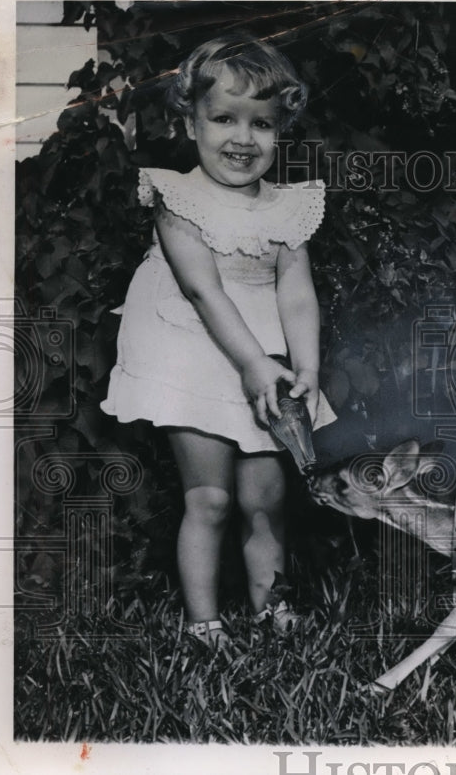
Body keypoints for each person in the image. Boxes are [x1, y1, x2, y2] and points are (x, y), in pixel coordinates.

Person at [101, 33, 336, 649]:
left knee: (266, 498)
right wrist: (254, 363)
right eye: (224, 119)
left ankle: (271, 609)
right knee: (209, 498)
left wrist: (305, 369)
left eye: (262, 123)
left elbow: (297, 294)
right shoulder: (178, 198)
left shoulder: (290, 206)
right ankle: (203, 623)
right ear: (190, 124)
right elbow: (202, 290)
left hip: (261, 353)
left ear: (281, 130)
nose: (243, 138)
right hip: (191, 348)